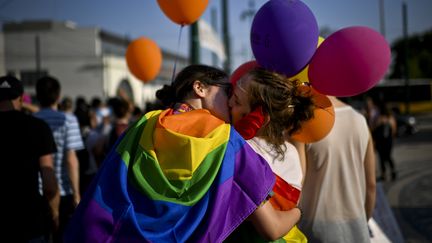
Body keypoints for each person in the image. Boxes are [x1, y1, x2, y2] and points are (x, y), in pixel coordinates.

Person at [64, 64, 301, 242]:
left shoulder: (145, 123)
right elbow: (271, 228)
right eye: (228, 91)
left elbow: (106, 186)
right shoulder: (227, 140)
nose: (230, 102)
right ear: (199, 87)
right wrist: (301, 212)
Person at [226, 67, 315, 242]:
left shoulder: (243, 153)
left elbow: (271, 229)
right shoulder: (291, 151)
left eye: (236, 101)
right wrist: (299, 212)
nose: (229, 103)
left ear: (260, 117)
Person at [298, 96, 377, 243]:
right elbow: (371, 184)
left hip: (316, 227)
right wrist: (362, 221)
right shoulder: (360, 119)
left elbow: (297, 185)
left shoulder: (304, 121)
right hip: (357, 225)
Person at [0, 76, 60, 242]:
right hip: (29, 221)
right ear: (21, 98)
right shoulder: (38, 127)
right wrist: (54, 213)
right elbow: (48, 182)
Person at [34, 76, 84, 243]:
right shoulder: (69, 120)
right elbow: (71, 160)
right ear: (58, 96)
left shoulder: (32, 121)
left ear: (37, 95)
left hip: (37, 191)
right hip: (62, 192)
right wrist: (77, 195)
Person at [373, 103, 397, 181]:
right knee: (383, 157)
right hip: (384, 141)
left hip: (385, 141)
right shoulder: (382, 118)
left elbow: (393, 130)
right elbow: (393, 130)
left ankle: (391, 172)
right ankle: (385, 173)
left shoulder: (388, 118)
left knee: (386, 157)